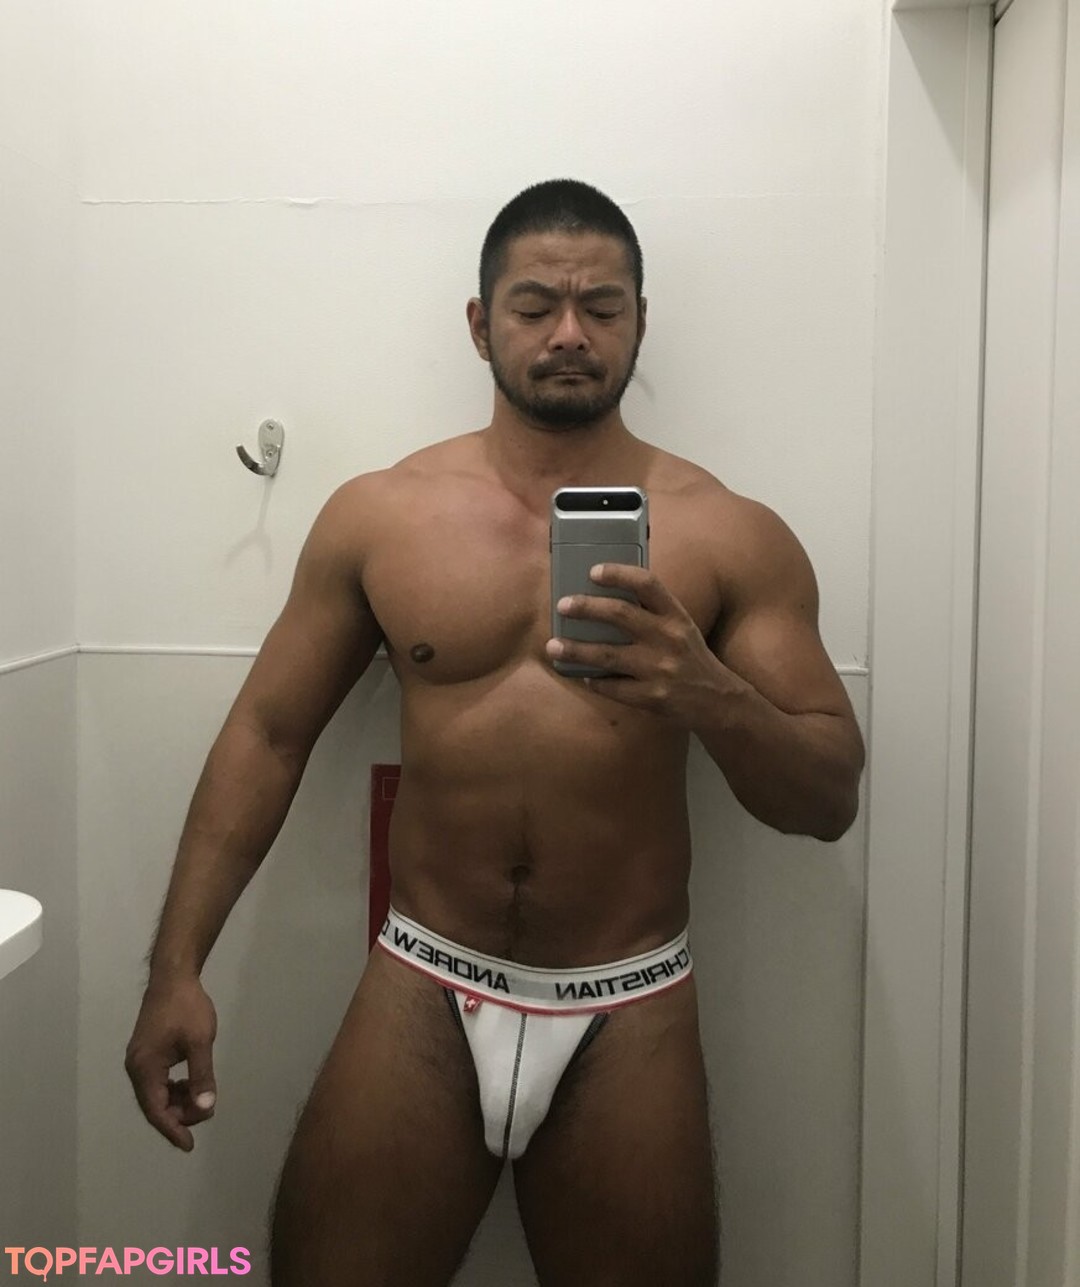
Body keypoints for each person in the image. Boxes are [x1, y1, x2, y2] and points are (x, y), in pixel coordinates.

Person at [125, 177, 865, 1287]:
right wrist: (175, 967)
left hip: (628, 996)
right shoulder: (381, 515)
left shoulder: (730, 535)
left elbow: (829, 797)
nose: (569, 333)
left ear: (641, 321)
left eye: (601, 307)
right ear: (480, 325)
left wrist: (707, 693)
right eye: (534, 306)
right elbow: (268, 737)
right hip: (425, 974)